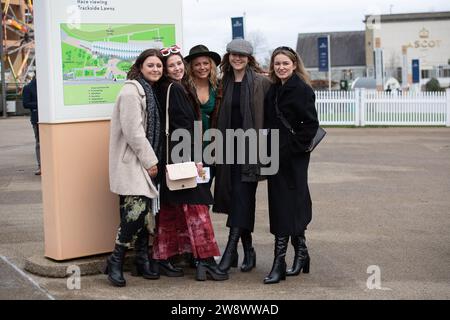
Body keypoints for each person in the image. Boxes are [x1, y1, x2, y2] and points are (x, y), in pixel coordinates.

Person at [152, 45, 228, 281]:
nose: (176, 68)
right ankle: (205, 259)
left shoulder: (170, 87)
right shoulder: (175, 89)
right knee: (198, 208)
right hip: (184, 155)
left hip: (173, 156)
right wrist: (195, 158)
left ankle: (162, 257)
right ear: (165, 70)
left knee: (171, 208)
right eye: (171, 65)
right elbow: (184, 128)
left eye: (178, 64)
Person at [105, 49, 164, 287]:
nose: (156, 69)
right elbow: (133, 131)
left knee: (144, 213)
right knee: (134, 213)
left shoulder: (149, 90)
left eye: (159, 66)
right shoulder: (132, 91)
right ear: (140, 67)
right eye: (151, 65)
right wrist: (151, 160)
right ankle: (116, 260)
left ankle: (141, 258)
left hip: (142, 161)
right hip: (134, 162)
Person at [213, 39, 271, 274]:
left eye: (243, 56)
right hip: (227, 151)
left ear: (249, 59)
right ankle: (248, 250)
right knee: (238, 199)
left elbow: (272, 115)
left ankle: (230, 251)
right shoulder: (221, 83)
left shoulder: (261, 83)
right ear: (228, 57)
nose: (238, 59)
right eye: (234, 55)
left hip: (251, 152)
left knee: (242, 196)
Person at [263, 46, 319, 284]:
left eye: (285, 63)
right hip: (274, 157)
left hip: (293, 159)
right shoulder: (274, 89)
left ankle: (280, 262)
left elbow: (310, 126)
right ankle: (302, 252)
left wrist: (291, 149)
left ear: (294, 65)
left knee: (289, 205)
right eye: (277, 64)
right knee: (280, 205)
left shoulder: (302, 90)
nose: (281, 67)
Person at [22, 76, 40, 175]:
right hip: (37, 119)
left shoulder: (48, 85)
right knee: (39, 143)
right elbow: (25, 104)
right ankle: (40, 166)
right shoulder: (28, 87)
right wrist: (41, 104)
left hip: (51, 119)